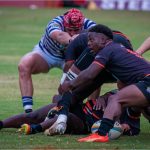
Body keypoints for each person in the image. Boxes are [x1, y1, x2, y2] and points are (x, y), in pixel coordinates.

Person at [47, 24, 150, 142]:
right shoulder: (118, 49)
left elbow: (89, 74)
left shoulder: (107, 50)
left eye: (91, 39)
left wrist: (70, 84)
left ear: (103, 40)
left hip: (147, 80)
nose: (88, 44)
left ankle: (101, 134)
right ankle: (104, 131)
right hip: (144, 81)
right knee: (122, 101)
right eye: (88, 40)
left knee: (116, 99)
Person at [18, 8, 96, 113]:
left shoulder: (90, 25)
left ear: (82, 25)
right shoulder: (55, 23)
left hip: (74, 59)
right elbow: (59, 35)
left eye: (76, 30)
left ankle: (91, 112)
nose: (72, 33)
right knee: (24, 64)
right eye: (69, 30)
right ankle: (28, 112)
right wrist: (73, 40)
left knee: (95, 73)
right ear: (64, 24)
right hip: (47, 54)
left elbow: (99, 37)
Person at [0, 90, 140, 137]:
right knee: (35, 115)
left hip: (85, 123)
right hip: (82, 108)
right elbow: (105, 96)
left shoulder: (133, 104)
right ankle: (2, 124)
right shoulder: (118, 91)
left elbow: (132, 126)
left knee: (64, 116)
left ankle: (35, 129)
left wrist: (124, 127)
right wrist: (103, 99)